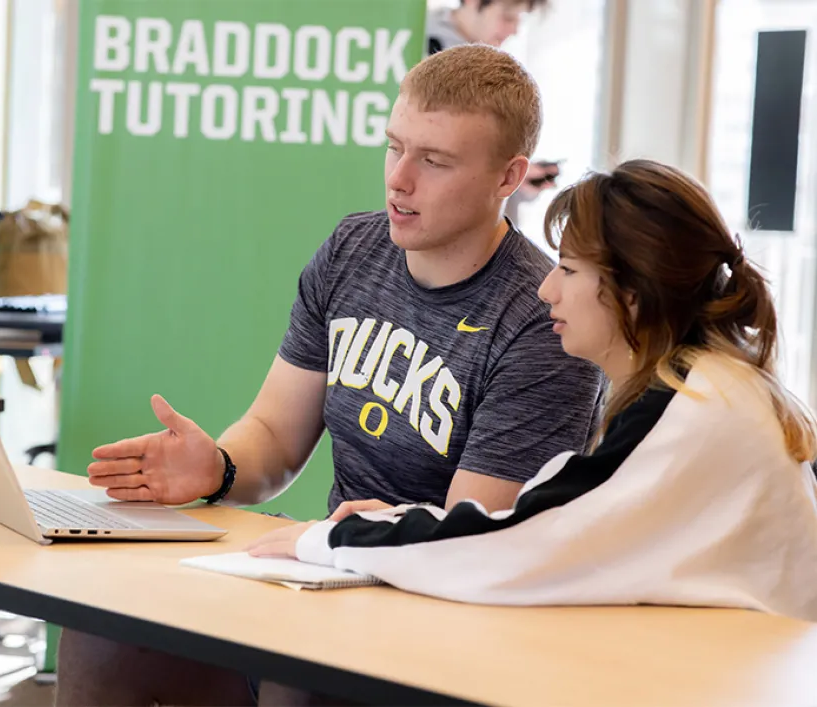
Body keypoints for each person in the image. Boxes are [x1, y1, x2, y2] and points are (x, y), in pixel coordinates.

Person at [54, 45, 603, 707]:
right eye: (394, 146)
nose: (399, 179)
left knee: (302, 674)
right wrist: (221, 466)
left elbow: (468, 537)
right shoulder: (353, 249)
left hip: (438, 610)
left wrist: (358, 539)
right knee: (102, 627)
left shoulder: (540, 318)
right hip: (331, 572)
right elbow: (275, 439)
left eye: (433, 161)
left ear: (508, 175)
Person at [248, 159, 817, 623]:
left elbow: (513, 547)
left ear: (633, 295)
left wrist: (337, 538)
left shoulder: (690, 406)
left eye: (568, 269)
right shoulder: (712, 387)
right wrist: (404, 520)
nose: (547, 288)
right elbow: (553, 528)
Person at [428, 0, 558, 211]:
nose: (514, 30)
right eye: (507, 18)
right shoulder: (415, 44)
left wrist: (518, 180)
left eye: (518, 20)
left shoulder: (494, 67)